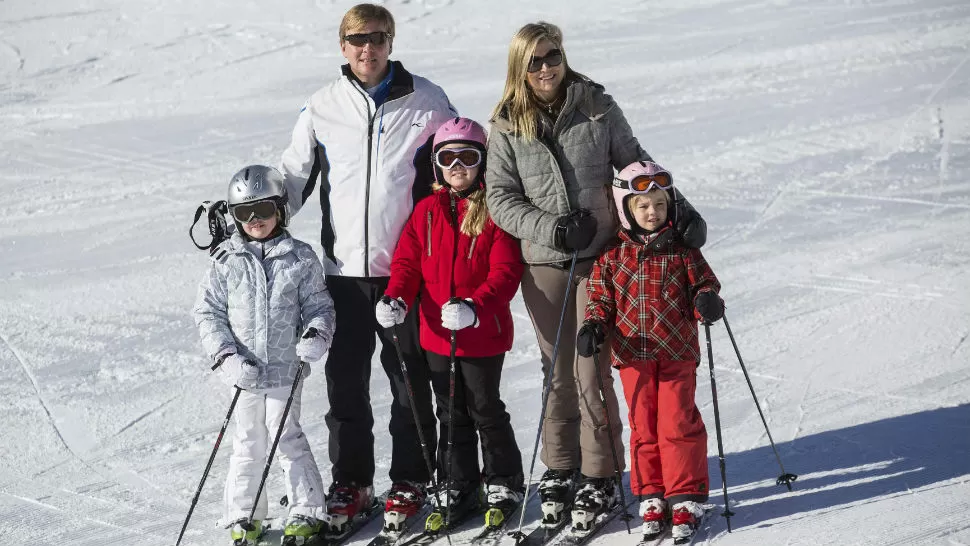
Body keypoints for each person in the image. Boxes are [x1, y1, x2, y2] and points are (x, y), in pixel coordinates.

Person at [485, 21, 708, 526]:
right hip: (544, 263)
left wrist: (681, 212)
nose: (546, 67)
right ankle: (560, 468)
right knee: (556, 370)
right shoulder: (506, 123)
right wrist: (551, 228)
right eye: (536, 60)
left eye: (553, 56)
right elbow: (500, 198)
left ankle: (601, 473)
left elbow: (635, 163)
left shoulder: (596, 105)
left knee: (591, 369)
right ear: (520, 66)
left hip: (604, 262)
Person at [277, 3, 458, 530]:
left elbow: (459, 163)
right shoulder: (322, 106)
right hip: (343, 275)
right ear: (343, 45)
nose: (368, 48)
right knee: (345, 381)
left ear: (391, 42)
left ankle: (411, 479)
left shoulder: (428, 102)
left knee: (408, 378)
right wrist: (254, 214)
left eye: (378, 38)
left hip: (407, 271)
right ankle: (352, 483)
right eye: (357, 39)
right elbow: (293, 178)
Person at [376, 118, 525, 528]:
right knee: (450, 411)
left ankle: (503, 478)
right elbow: (407, 264)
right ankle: (459, 481)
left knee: (484, 407)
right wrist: (397, 297)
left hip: (481, 332)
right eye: (448, 158)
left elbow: (506, 272)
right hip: (437, 334)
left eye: (468, 156)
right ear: (437, 165)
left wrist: (476, 306)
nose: (458, 166)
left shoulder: (496, 210)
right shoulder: (426, 212)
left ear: (483, 161)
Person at [578, 160, 722, 544]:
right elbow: (600, 301)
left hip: (677, 352)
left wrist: (707, 299)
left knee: (677, 423)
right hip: (632, 356)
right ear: (626, 208)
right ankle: (652, 494)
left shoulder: (683, 251)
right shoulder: (611, 257)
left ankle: (685, 495)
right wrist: (593, 325)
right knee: (644, 425)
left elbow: (705, 283)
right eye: (642, 205)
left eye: (658, 204)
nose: (652, 212)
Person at [193, 165, 336, 544]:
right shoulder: (226, 260)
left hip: (285, 369)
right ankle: (244, 514)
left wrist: (315, 334)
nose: (255, 220)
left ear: (281, 209)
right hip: (245, 372)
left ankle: (306, 510)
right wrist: (227, 357)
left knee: (285, 437)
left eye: (264, 210)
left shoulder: (300, 257)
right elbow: (208, 312)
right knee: (247, 442)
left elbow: (320, 307)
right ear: (234, 217)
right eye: (244, 213)